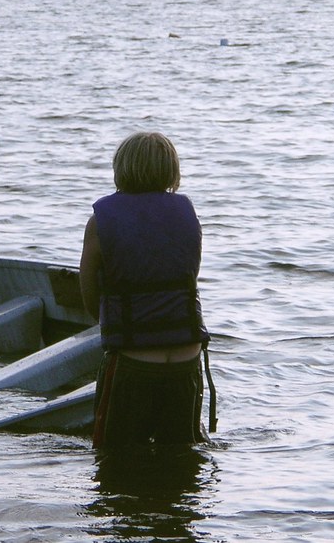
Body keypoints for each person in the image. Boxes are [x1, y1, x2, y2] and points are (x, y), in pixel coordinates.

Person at [80, 131, 216, 448]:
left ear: (120, 169)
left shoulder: (100, 223)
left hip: (133, 358)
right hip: (187, 356)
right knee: (181, 459)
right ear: (172, 171)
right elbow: (187, 276)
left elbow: (90, 299)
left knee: (115, 461)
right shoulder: (187, 215)